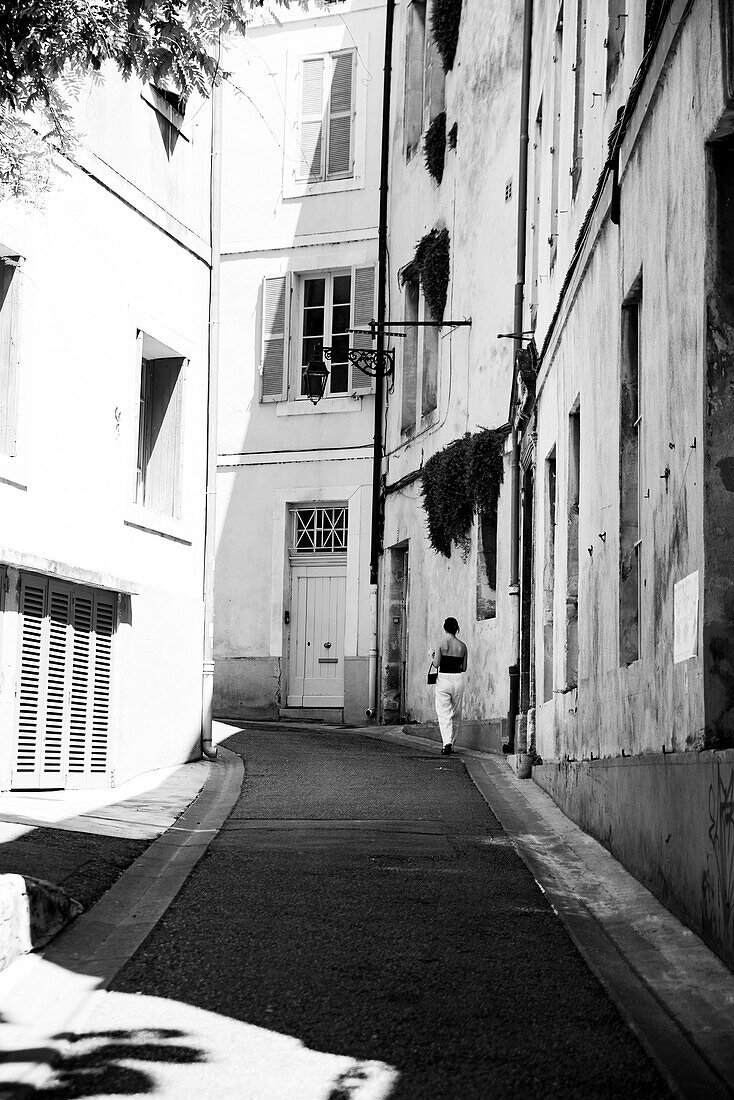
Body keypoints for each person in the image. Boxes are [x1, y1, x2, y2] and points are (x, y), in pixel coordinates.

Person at [431, 617, 467, 755]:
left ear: (444, 628)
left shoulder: (440, 643)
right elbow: (464, 668)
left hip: (444, 679)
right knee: (456, 712)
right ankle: (452, 743)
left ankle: (446, 742)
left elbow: (436, 664)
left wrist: (432, 655)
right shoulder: (462, 646)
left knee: (444, 712)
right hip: (458, 679)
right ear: (456, 628)